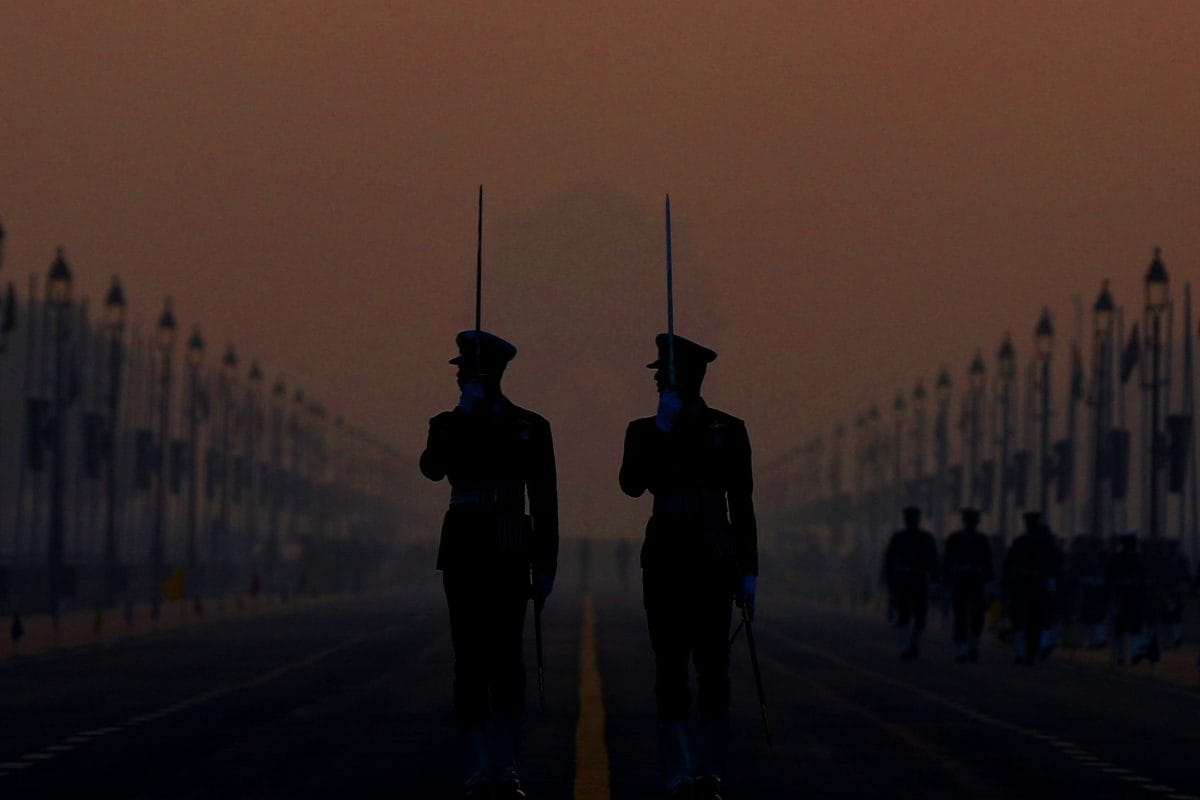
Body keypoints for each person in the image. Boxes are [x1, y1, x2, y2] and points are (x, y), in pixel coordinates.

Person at [420, 330, 558, 800]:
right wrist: (464, 417)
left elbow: (544, 500)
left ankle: (505, 763)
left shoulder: (528, 426)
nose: (458, 376)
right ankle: (480, 766)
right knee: (469, 659)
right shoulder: (447, 423)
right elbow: (432, 468)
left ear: (486, 373)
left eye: (464, 369)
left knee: (506, 660)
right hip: (465, 548)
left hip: (509, 545)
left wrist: (546, 563)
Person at [620, 333, 757, 800]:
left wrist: (749, 570)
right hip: (666, 558)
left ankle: (710, 769)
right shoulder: (644, 429)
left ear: (690, 377)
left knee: (714, 668)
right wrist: (662, 430)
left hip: (713, 556)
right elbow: (631, 484)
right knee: (670, 666)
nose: (658, 380)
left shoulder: (727, 429)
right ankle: (678, 769)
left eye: (665, 373)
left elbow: (742, 504)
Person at [1002, 511, 1062, 665]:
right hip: (1030, 585)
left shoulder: (1025, 542)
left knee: (1030, 620)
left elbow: (1054, 566)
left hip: (1031, 585)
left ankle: (1026, 651)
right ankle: (1027, 651)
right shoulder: (1039, 543)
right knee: (1025, 619)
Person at [882, 506, 939, 660]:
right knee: (904, 613)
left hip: (918, 578)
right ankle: (906, 646)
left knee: (920, 615)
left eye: (913, 518)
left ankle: (912, 643)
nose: (911, 521)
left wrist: (935, 578)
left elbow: (933, 560)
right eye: (909, 518)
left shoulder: (925, 538)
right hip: (903, 578)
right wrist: (889, 578)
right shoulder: (899, 537)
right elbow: (889, 559)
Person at [942, 507, 994, 662]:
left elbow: (988, 562)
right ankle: (962, 647)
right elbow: (947, 560)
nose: (971, 523)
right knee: (960, 614)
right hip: (961, 578)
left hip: (976, 579)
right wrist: (947, 580)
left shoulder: (982, 539)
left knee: (977, 615)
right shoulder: (956, 538)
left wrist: (989, 582)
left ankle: (973, 644)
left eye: (973, 520)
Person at [1105, 531, 1150, 665]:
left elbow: (1144, 579)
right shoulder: (1118, 559)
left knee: (1133, 626)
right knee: (1121, 627)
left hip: (1133, 597)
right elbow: (1110, 579)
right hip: (1122, 597)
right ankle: (1122, 655)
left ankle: (1133, 653)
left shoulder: (1137, 559)